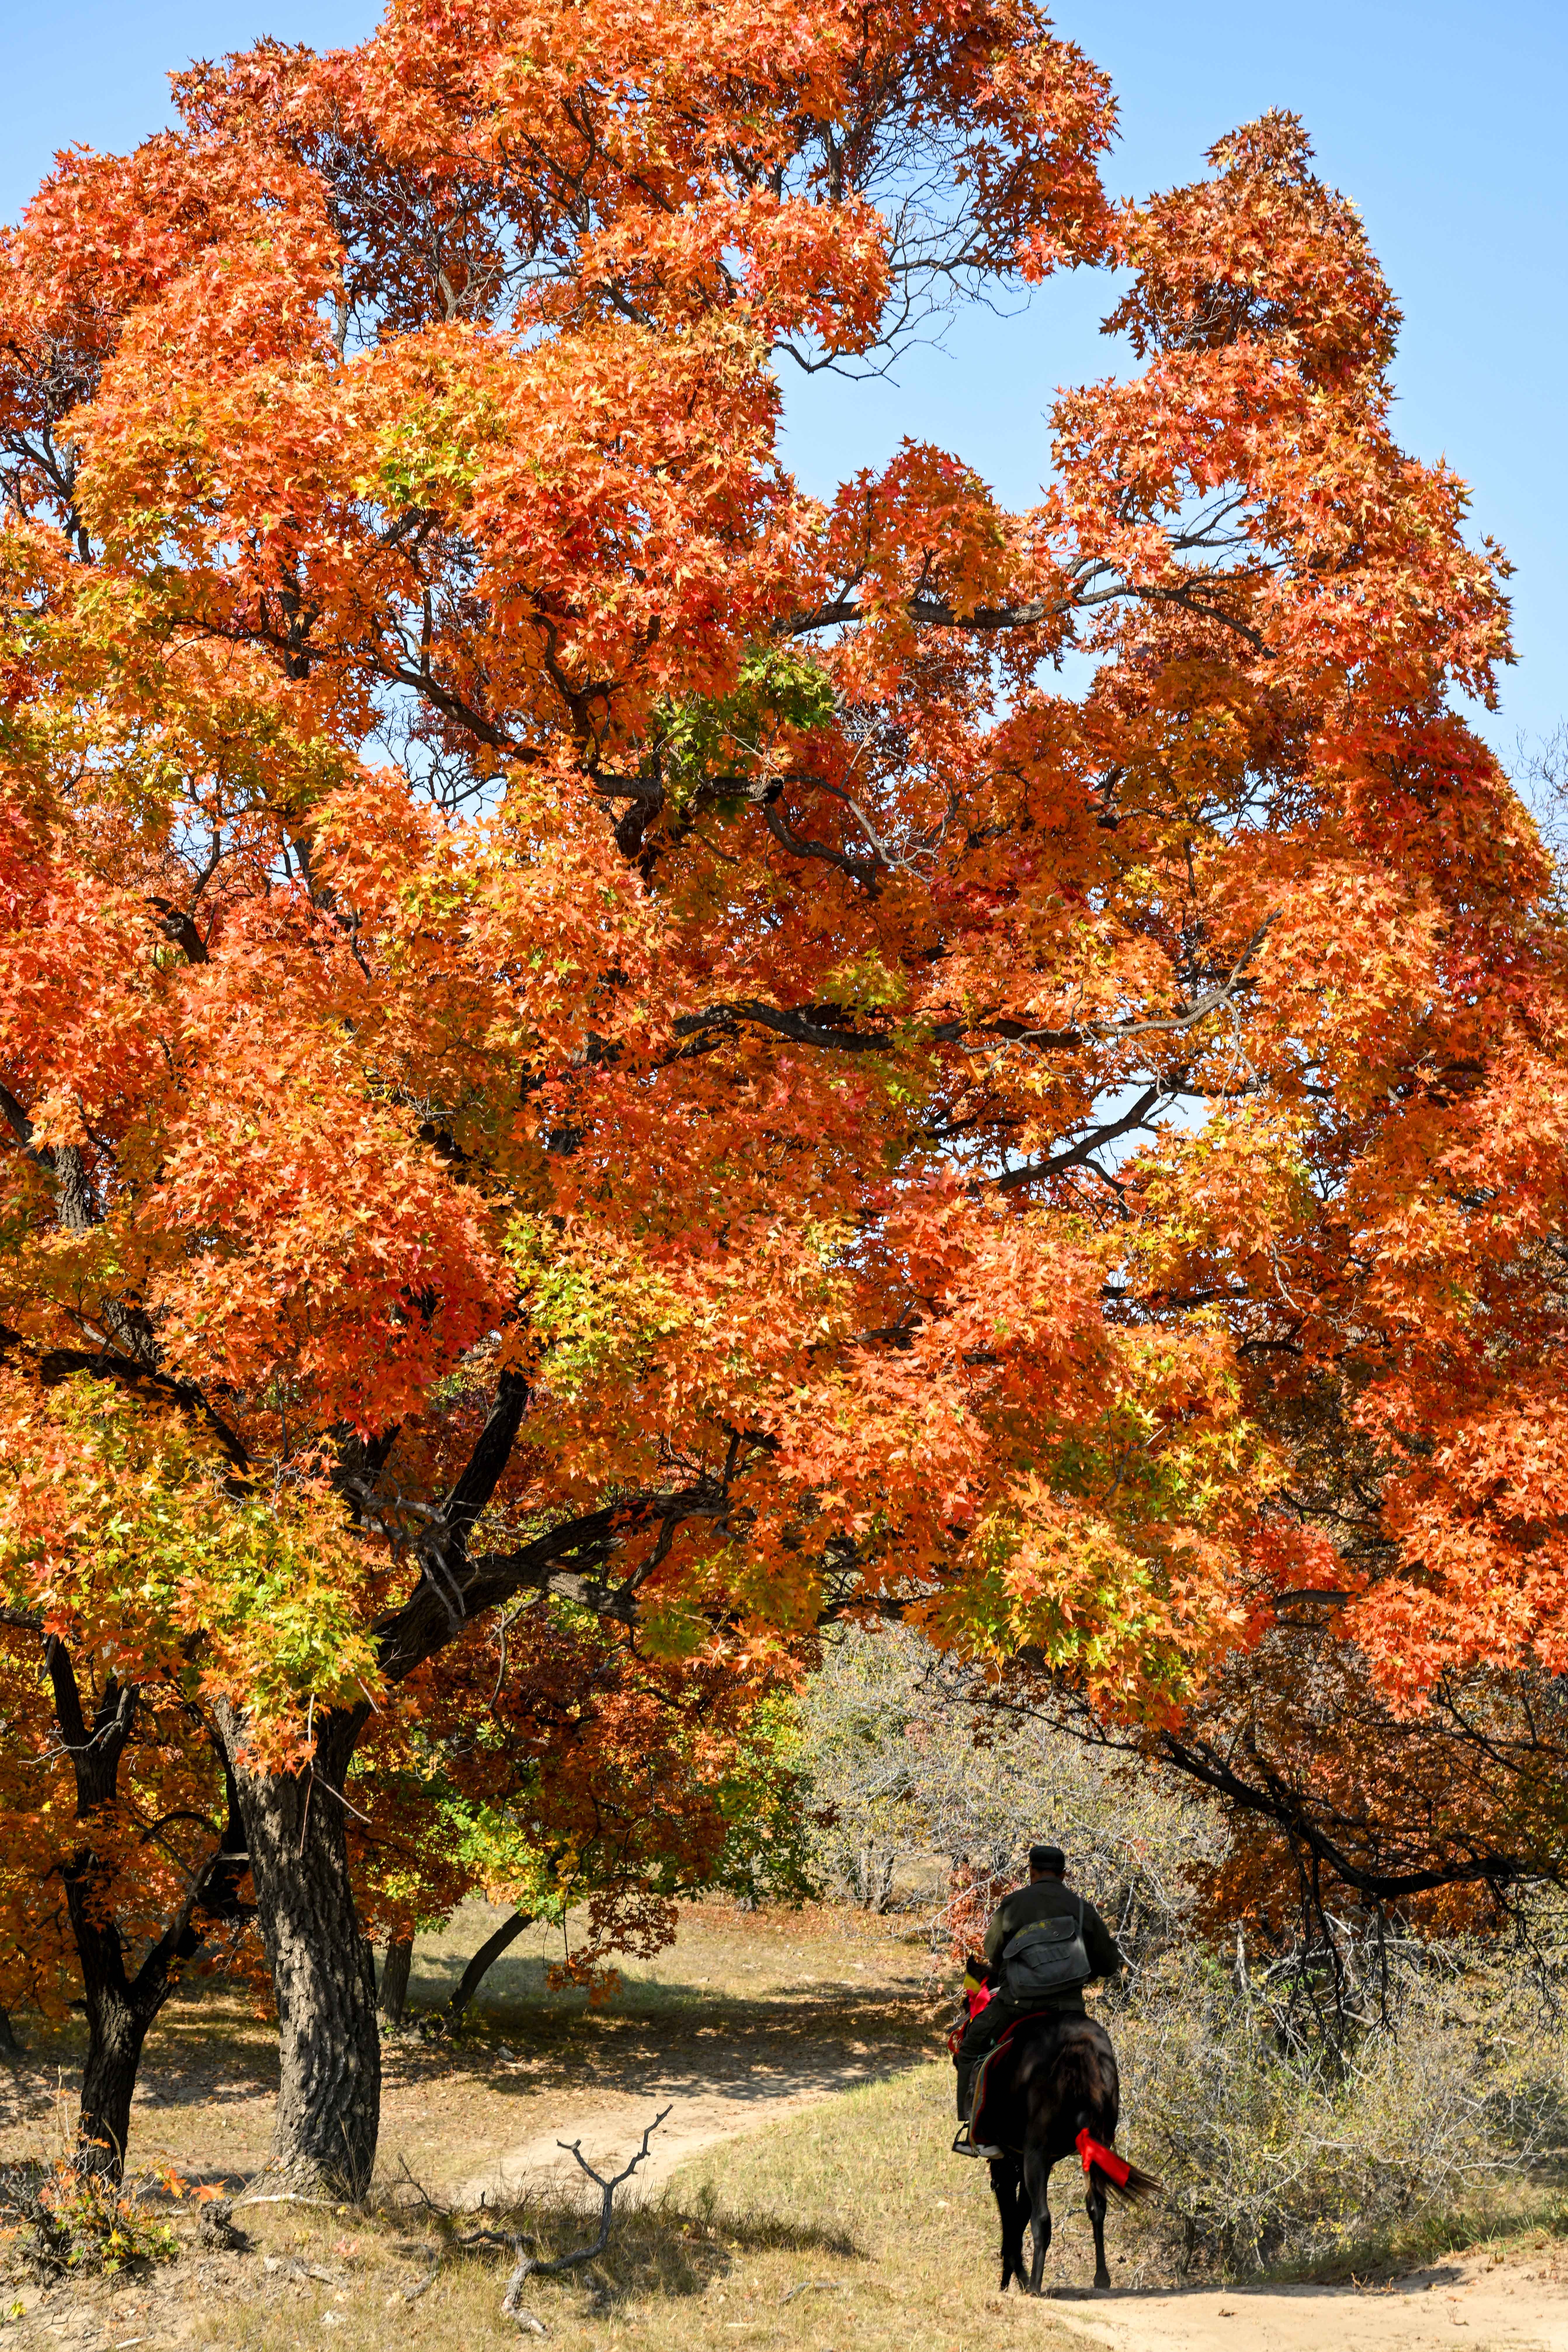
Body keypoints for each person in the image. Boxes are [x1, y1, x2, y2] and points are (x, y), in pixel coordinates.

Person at [952, 1842, 1124, 2154]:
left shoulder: (1012, 1905)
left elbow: (993, 1953)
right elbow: (1109, 1965)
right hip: (1069, 2008)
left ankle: (975, 2131)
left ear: (1031, 1871)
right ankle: (1105, 2129)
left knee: (969, 2049)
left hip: (1018, 2006)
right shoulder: (1082, 1908)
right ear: (1063, 1874)